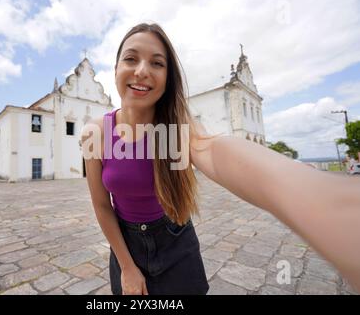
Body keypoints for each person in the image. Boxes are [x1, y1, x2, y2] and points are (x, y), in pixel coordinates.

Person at [81, 23, 360, 294]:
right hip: (125, 246)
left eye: (157, 63)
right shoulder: (96, 132)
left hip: (174, 241)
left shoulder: (177, 126)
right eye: (131, 58)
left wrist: (310, 195)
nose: (142, 71)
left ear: (168, 79)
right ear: (116, 67)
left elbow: (212, 151)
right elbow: (102, 206)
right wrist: (127, 267)